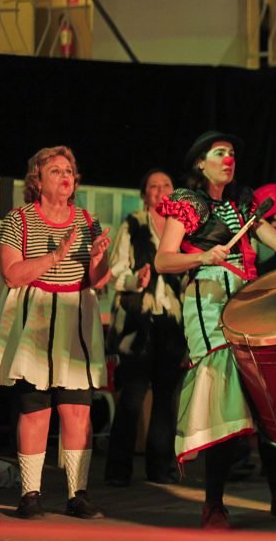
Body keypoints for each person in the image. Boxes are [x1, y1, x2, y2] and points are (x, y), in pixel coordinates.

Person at [154, 131, 276, 530]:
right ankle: (214, 505)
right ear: (200, 163)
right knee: (224, 400)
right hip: (208, 305)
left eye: (231, 154)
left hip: (245, 302)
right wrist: (204, 255)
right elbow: (163, 261)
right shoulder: (188, 203)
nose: (229, 159)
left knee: (267, 400)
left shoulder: (243, 201)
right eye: (220, 153)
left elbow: (272, 240)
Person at [0, 145, 112, 519]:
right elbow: (12, 274)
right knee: (36, 409)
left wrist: (99, 260)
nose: (65, 175)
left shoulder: (88, 220)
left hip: (75, 318)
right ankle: (30, 494)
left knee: (77, 410)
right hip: (35, 319)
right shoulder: (18, 219)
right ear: (36, 180)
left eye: (69, 169)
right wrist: (58, 254)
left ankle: (77, 494)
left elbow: (97, 281)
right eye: (55, 170)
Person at [104, 169, 187, 487]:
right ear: (144, 193)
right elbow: (116, 268)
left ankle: (160, 467)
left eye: (166, 185)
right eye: (153, 186)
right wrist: (133, 280)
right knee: (132, 396)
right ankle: (118, 469)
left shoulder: (183, 227)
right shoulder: (135, 222)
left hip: (171, 320)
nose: (160, 190)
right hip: (138, 320)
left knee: (166, 398)